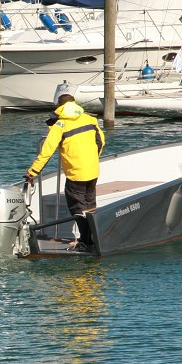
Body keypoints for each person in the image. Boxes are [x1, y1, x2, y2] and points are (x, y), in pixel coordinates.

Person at [25, 94, 105, 250]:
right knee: (90, 205)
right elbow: (101, 141)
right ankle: (94, 238)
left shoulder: (60, 125)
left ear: (59, 107)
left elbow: (46, 152)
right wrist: (92, 159)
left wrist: (32, 172)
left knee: (78, 207)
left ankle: (85, 241)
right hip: (93, 170)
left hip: (75, 173)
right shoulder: (90, 119)